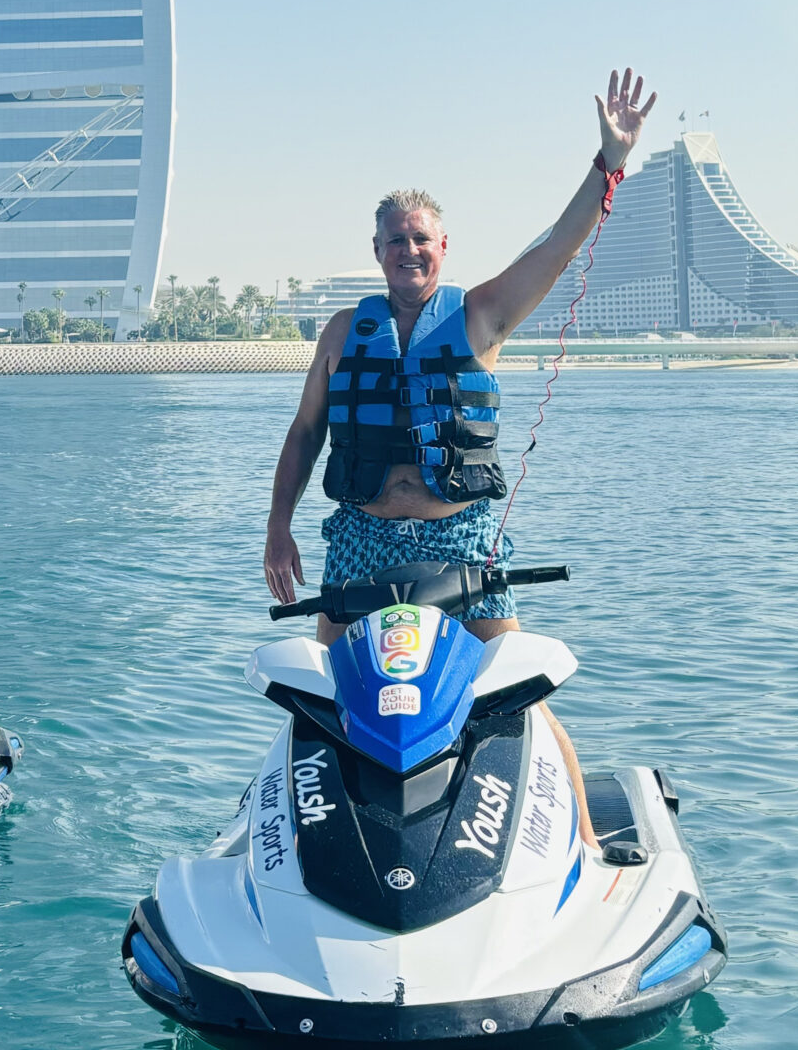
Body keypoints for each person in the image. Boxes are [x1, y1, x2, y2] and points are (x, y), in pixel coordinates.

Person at [263, 68, 659, 850]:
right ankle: (294, 841)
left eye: (421, 239)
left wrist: (607, 164)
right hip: (362, 542)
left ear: (443, 247)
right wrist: (279, 528)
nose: (408, 250)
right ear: (376, 252)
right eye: (395, 240)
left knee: (516, 698)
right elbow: (306, 433)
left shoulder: (482, 315)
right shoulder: (343, 333)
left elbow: (555, 245)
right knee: (322, 699)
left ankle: (579, 842)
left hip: (461, 543)